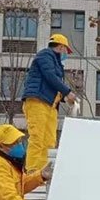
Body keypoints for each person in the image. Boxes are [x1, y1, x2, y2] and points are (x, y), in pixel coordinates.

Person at [22, 33, 78, 173]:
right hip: (38, 101)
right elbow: (50, 76)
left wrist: (65, 98)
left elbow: (52, 84)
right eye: (66, 50)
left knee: (49, 141)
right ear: (61, 47)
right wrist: (67, 92)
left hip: (50, 105)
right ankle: (33, 170)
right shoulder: (45, 55)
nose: (66, 54)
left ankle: (43, 172)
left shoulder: (55, 63)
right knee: (38, 137)